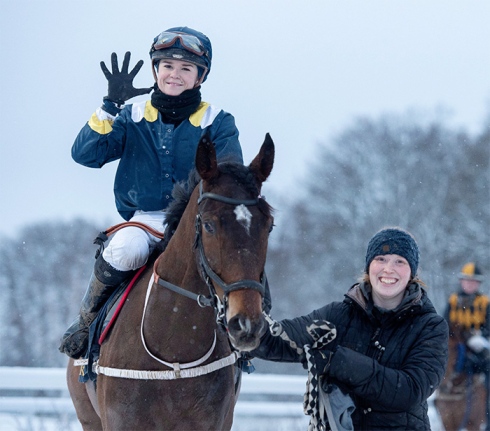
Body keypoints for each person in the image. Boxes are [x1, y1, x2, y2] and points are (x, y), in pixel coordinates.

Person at [59, 27, 243, 359]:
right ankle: (87, 321)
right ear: (156, 70)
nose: (175, 75)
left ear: (200, 78)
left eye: (186, 69)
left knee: (240, 251)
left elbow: (230, 176)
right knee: (127, 249)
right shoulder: (129, 115)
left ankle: (244, 335)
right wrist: (109, 105)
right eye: (167, 66)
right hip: (144, 220)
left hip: (197, 221)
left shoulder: (219, 121)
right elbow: (85, 155)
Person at [252, 227, 449, 430]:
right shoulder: (337, 316)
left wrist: (337, 362)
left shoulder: (430, 327)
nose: (389, 269)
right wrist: (246, 305)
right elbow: (276, 341)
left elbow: (409, 391)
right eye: (380, 259)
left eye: (400, 261)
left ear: (411, 272)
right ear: (369, 266)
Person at [442, 262, 489, 425]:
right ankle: (437, 400)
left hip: (479, 349)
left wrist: (482, 338)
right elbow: (445, 324)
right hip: (457, 346)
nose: (470, 284)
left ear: (479, 283)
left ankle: (487, 418)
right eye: (467, 280)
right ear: (461, 281)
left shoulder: (485, 302)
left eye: (473, 281)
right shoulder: (453, 300)